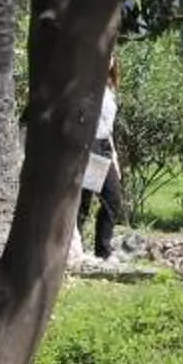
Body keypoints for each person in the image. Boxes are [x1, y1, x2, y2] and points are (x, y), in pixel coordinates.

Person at [76, 56, 122, 262]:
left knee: (112, 198)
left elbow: (109, 127)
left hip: (104, 145)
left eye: (112, 55)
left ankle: (103, 250)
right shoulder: (87, 85)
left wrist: (115, 158)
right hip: (89, 144)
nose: (109, 59)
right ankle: (75, 249)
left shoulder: (109, 89)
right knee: (83, 201)